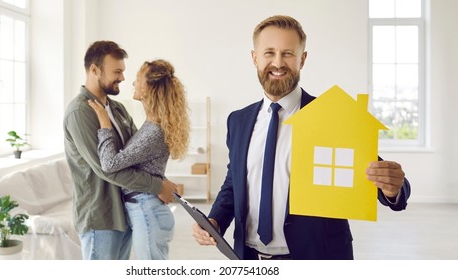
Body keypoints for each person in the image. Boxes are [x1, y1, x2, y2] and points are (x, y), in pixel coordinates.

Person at [192, 15, 411, 260]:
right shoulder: (238, 120)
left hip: (318, 258)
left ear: (302, 59)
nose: (277, 63)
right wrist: (214, 221)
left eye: (287, 53)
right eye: (269, 53)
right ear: (255, 58)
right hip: (249, 258)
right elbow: (234, 184)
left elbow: (373, 175)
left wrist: (394, 188)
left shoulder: (331, 116)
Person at [63, 41, 178, 260]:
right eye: (117, 71)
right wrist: (157, 185)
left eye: (123, 71)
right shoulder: (80, 112)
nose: (123, 78)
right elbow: (106, 169)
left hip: (124, 211)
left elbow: (134, 157)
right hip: (101, 216)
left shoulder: (117, 108)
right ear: (94, 70)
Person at [87, 59, 190, 259]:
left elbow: (110, 164)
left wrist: (104, 123)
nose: (133, 83)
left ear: (150, 88)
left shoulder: (154, 131)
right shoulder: (151, 125)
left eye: (137, 79)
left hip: (147, 209)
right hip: (146, 208)